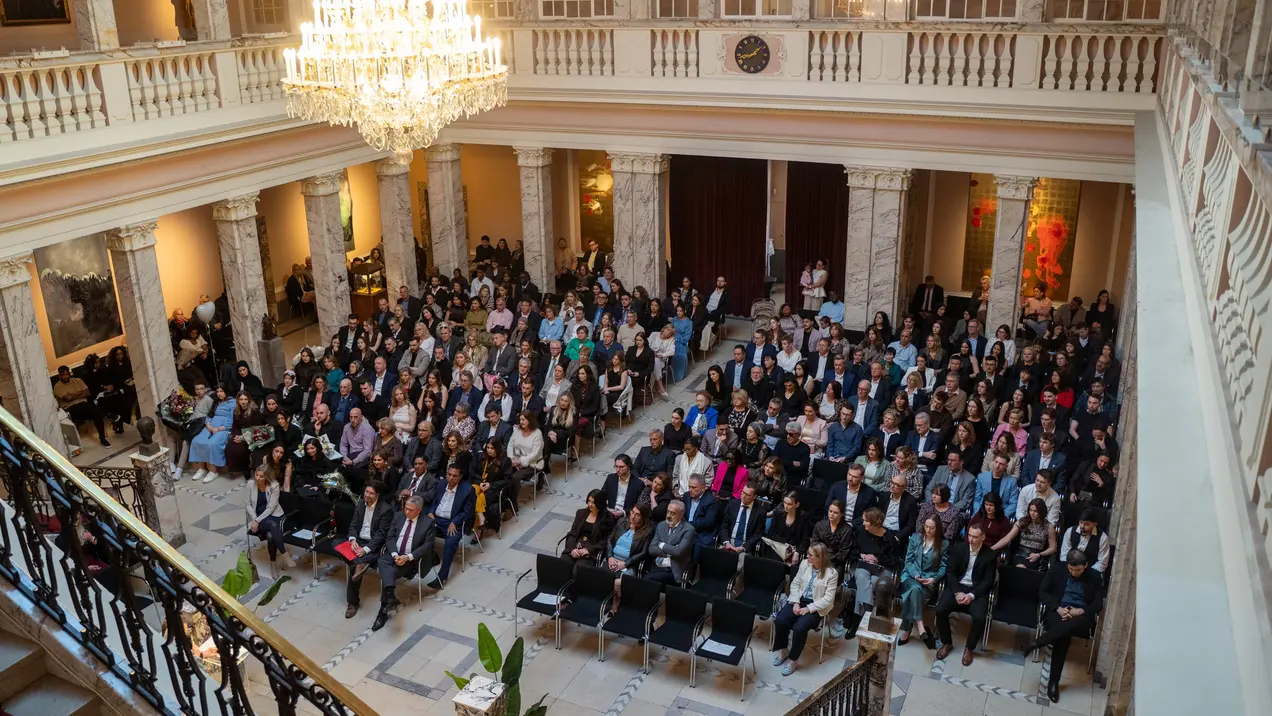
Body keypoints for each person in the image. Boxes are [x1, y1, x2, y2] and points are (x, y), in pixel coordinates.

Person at [1022, 551, 1104, 703]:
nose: (1073, 573)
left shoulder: (1095, 576)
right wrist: (1058, 608)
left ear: (1085, 566)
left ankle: (1037, 643)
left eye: (1077, 570)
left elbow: (1098, 603)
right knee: (1063, 638)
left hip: (1081, 616)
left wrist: (1082, 610)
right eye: (1071, 569)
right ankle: (1054, 681)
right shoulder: (1057, 568)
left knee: (1067, 629)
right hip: (1058, 610)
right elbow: (1043, 591)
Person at [371, 495, 437, 631]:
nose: (406, 512)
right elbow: (389, 537)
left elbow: (427, 546)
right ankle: (390, 596)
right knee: (382, 561)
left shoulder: (428, 523)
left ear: (418, 511)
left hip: (410, 560)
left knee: (389, 574)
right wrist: (395, 554)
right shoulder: (399, 516)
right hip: (393, 554)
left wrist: (408, 557)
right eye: (405, 508)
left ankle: (383, 612)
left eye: (410, 510)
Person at [934, 523, 996, 666]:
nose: (971, 539)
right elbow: (950, 572)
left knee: (980, 617)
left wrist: (971, 596)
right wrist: (957, 592)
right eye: (969, 535)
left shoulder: (990, 555)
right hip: (958, 587)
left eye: (975, 537)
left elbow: (988, 582)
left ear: (983, 537)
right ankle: (946, 642)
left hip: (976, 591)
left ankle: (969, 648)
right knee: (940, 609)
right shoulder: (958, 548)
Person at [771, 543, 837, 676]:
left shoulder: (831, 574)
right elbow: (795, 583)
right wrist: (795, 602)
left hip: (816, 606)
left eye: (810, 555)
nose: (807, 557)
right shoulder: (805, 564)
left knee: (799, 628)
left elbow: (828, 599)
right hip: (799, 599)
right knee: (780, 620)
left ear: (820, 558)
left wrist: (809, 608)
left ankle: (794, 660)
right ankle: (783, 651)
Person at [343, 481, 395, 618]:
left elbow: (381, 535)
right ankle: (361, 563)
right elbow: (353, 525)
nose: (367, 495)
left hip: (373, 545)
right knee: (337, 544)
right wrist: (353, 539)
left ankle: (352, 603)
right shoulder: (360, 503)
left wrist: (366, 549)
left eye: (371, 493)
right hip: (358, 540)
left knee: (354, 565)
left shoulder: (385, 509)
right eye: (366, 492)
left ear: (377, 494)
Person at [897, 516, 946, 648]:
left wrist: (933, 579)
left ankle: (907, 630)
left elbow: (943, 567)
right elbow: (908, 560)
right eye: (926, 526)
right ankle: (920, 624)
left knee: (914, 592)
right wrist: (915, 574)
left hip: (928, 581)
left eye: (932, 527)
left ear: (937, 528)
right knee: (915, 589)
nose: (928, 530)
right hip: (910, 576)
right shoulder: (915, 538)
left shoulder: (944, 544)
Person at [426, 465, 475, 589]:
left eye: (455, 476)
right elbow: (435, 502)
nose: (451, 478)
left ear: (460, 477)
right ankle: (430, 558)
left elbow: (467, 511)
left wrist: (455, 522)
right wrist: (431, 512)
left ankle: (442, 577)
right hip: (436, 518)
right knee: (421, 532)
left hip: (452, 522)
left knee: (451, 542)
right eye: (449, 475)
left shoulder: (467, 490)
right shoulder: (441, 484)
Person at [245, 465, 291, 570]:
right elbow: (247, 504)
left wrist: (256, 521)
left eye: (261, 476)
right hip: (259, 516)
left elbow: (271, 508)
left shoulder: (274, 486)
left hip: (274, 515)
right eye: (256, 475)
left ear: (267, 477)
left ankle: (272, 563)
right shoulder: (250, 484)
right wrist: (255, 519)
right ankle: (284, 554)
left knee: (271, 536)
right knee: (272, 525)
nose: (257, 478)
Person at [188, 386, 236, 483]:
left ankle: (213, 471)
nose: (219, 393)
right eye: (217, 391)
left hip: (223, 429)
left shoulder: (232, 403)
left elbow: (232, 421)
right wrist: (209, 425)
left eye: (221, 391)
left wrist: (218, 429)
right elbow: (208, 415)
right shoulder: (215, 402)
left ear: (226, 391)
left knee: (212, 444)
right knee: (196, 441)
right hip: (211, 426)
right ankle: (201, 468)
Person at [54, 365, 110, 446]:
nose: (65, 376)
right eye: (63, 375)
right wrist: (80, 393)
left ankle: (102, 438)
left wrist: (73, 395)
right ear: (59, 376)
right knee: (88, 407)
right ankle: (107, 414)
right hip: (71, 409)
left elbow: (87, 393)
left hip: (85, 406)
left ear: (69, 373)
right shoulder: (57, 386)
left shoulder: (77, 380)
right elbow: (68, 398)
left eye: (67, 374)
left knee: (95, 412)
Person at [646, 500, 695, 585]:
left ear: (681, 515)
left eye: (673, 513)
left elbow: (678, 551)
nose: (668, 516)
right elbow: (651, 549)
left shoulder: (688, 529)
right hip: (657, 565)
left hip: (673, 568)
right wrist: (669, 552)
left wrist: (661, 545)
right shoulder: (661, 525)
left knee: (648, 580)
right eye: (668, 512)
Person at [563, 489, 615, 562]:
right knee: (564, 562)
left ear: (600, 503)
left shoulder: (608, 517)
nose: (590, 504)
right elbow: (573, 533)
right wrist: (572, 549)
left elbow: (605, 540)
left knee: (580, 567)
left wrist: (589, 550)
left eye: (593, 502)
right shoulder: (580, 513)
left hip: (592, 549)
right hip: (577, 546)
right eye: (589, 501)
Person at [1005, 498, 1058, 569]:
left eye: (1035, 511)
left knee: (1025, 568)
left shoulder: (1049, 526)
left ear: (1041, 512)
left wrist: (1039, 555)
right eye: (1030, 510)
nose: (1032, 513)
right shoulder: (1023, 522)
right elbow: (1008, 538)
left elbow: (1053, 548)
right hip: (1019, 554)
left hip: (1036, 556)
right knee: (1020, 567)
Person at [1058, 508, 1111, 573]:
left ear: (1094, 524)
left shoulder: (1103, 538)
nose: (1082, 526)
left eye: (1086, 524)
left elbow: (1102, 563)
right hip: (1069, 569)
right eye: (1081, 522)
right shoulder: (1070, 531)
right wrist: (1071, 569)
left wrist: (1086, 572)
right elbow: (1064, 555)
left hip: (1090, 572)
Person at [927, 449, 976, 515]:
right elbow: (929, 489)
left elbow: (966, 501)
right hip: (934, 506)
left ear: (961, 462)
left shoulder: (970, 479)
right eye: (948, 460)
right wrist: (933, 503)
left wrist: (947, 509)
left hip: (954, 511)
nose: (949, 463)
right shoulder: (940, 470)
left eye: (953, 460)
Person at [682, 475, 721, 548]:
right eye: (689, 486)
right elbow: (683, 514)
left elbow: (708, 522)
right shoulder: (686, 496)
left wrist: (688, 525)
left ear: (703, 488)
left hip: (700, 535)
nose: (690, 489)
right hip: (685, 532)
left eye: (694, 487)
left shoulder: (712, 501)